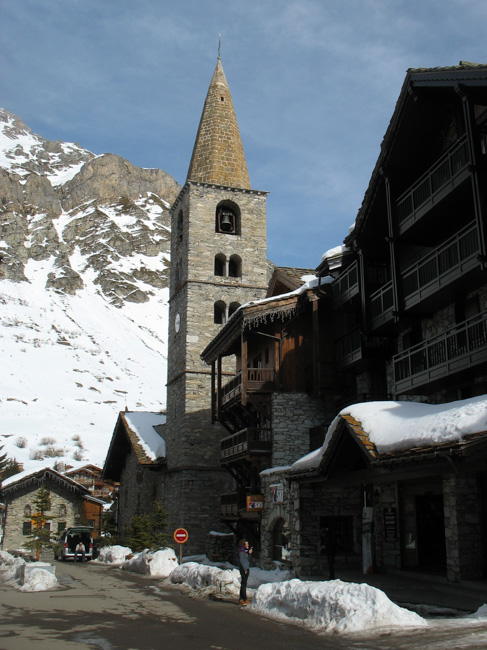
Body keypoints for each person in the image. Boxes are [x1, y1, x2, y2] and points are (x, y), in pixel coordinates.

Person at [237, 538, 252, 605]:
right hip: (244, 569)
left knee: (244, 583)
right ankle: (244, 598)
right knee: (244, 583)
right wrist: (245, 569)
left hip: (246, 568)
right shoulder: (242, 551)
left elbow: (248, 559)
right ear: (244, 545)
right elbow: (242, 561)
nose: (248, 545)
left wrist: (249, 553)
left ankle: (241, 599)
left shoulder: (245, 551)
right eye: (247, 544)